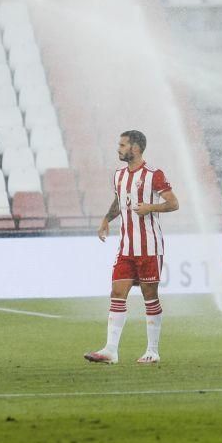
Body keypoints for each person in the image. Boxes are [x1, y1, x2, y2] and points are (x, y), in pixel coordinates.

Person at [85, 130, 179, 365]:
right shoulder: (118, 175)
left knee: (150, 297)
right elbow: (120, 201)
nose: (119, 148)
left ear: (135, 148)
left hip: (149, 247)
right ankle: (110, 350)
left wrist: (151, 208)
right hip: (126, 248)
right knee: (117, 294)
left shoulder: (153, 175)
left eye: (123, 144)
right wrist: (107, 219)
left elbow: (173, 203)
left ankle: (152, 350)